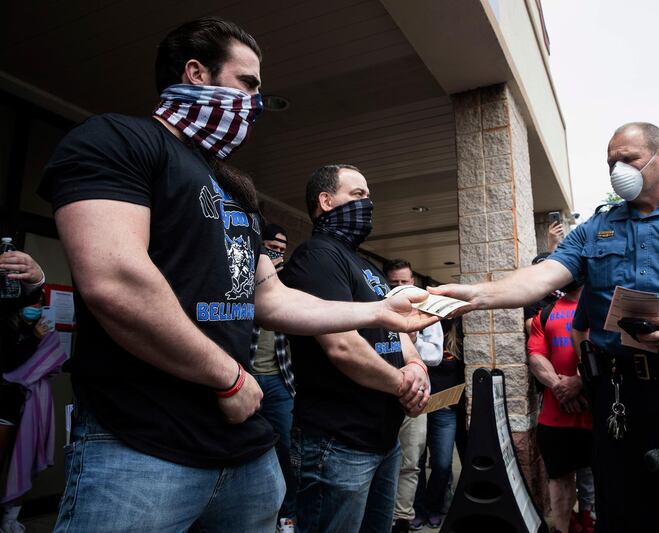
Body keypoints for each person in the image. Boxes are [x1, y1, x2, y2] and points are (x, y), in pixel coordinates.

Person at [41, 19, 436, 533]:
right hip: (141, 443)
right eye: (247, 83)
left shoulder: (235, 188)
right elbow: (116, 280)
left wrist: (378, 311)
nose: (255, 99)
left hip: (244, 450)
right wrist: (226, 378)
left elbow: (270, 297)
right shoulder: (118, 139)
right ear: (196, 72)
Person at [431, 122, 659, 533]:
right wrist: (476, 295)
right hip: (622, 404)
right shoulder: (594, 230)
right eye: (611, 163)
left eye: (629, 159)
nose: (618, 170)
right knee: (625, 512)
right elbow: (542, 276)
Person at [281, 165, 431, 533]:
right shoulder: (316, 257)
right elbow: (342, 346)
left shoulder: (367, 268)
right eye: (358, 195)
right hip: (338, 441)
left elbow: (400, 329)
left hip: (383, 439)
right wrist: (403, 385)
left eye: (369, 196)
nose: (368, 205)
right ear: (326, 201)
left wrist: (415, 367)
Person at [526, 279, 594, 533]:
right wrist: (560, 387)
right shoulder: (545, 314)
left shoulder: (604, 307)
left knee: (604, 476)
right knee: (559, 479)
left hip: (599, 414)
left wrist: (580, 382)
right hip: (555, 417)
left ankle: (590, 519)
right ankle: (563, 529)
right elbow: (535, 356)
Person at [383, 259, 444, 533]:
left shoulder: (427, 310)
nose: (399, 287)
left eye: (403, 282)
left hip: (415, 396)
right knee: (380, 460)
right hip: (382, 394)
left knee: (411, 461)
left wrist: (413, 338)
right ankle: (382, 517)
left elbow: (435, 356)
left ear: (412, 282)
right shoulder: (377, 308)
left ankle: (403, 520)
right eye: (393, 282)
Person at [250, 223, 296, 532]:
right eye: (270, 248)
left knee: (287, 451)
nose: (276, 254)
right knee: (251, 450)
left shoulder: (289, 283)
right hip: (248, 380)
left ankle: (287, 516)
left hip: (281, 381)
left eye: (281, 250)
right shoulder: (242, 277)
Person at [0, 251, 47, 533]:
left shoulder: (31, 331)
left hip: (17, 406)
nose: (37, 308)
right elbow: (11, 365)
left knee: (17, 463)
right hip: (4, 407)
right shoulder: (9, 331)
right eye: (32, 304)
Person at [412, 317, 465, 531]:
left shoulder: (457, 333)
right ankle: (418, 509)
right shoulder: (417, 326)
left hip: (445, 408)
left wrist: (455, 402)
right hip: (417, 406)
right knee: (416, 463)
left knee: (442, 464)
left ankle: (434, 506)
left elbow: (463, 374)